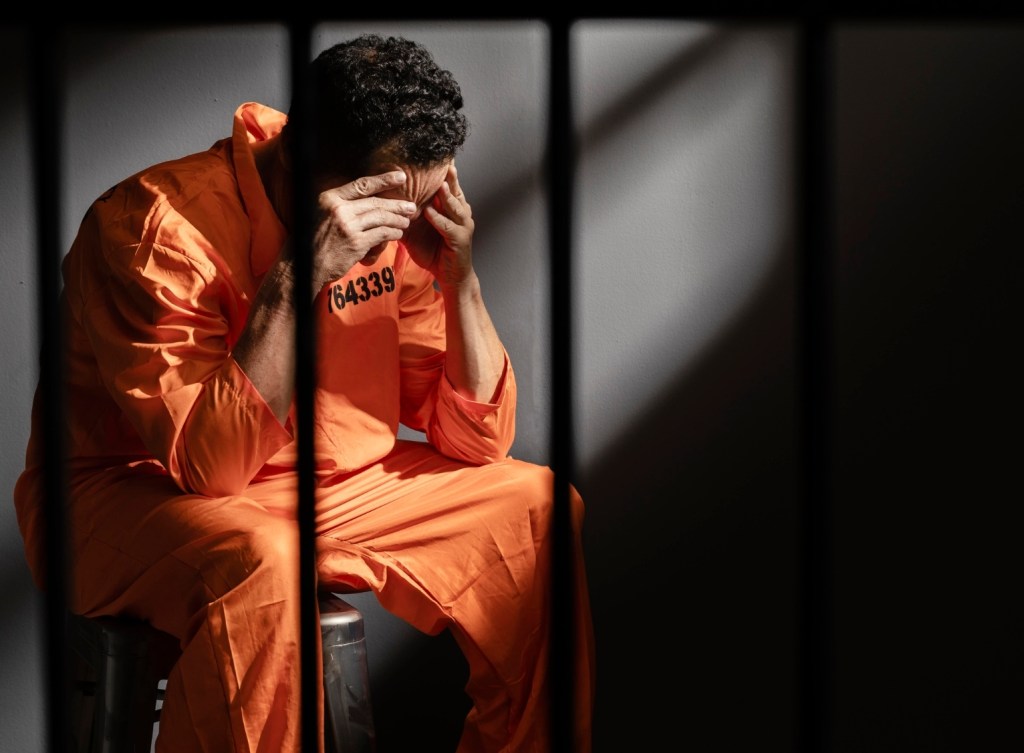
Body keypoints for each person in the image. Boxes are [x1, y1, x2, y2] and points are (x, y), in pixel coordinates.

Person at [13, 34, 594, 753]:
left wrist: (460, 280)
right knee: (264, 563)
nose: (397, 235)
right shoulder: (153, 231)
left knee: (536, 509)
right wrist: (296, 276)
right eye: (384, 211)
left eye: (421, 202)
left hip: (331, 481)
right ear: (297, 161)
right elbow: (210, 469)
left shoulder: (398, 223)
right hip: (135, 493)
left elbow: (477, 439)